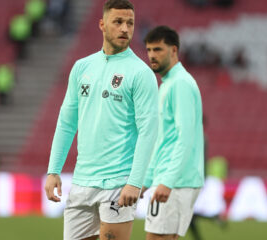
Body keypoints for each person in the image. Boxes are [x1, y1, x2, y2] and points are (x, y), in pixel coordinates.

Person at [44, 1, 159, 239]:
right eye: (118, 22)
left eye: (130, 23)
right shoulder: (82, 67)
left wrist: (135, 182)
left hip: (118, 184)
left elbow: (149, 130)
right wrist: (53, 170)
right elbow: (67, 122)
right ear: (102, 25)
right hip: (82, 182)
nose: (125, 29)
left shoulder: (141, 73)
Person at [141, 26, 205, 240]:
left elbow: (184, 137)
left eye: (158, 49)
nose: (152, 55)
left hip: (176, 181)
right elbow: (163, 140)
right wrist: (147, 179)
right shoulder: (168, 84)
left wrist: (167, 181)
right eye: (149, 50)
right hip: (171, 179)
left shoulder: (180, 84)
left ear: (174, 51)